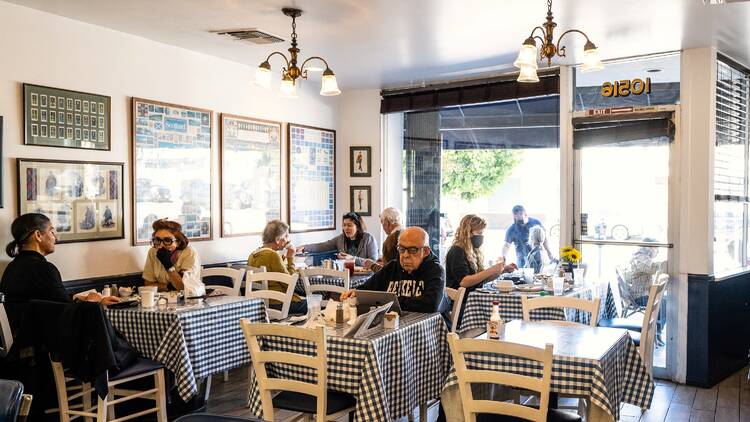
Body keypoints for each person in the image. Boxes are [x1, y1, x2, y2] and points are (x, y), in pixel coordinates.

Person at [0, 213, 120, 334]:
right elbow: (66, 314)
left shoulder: (11, 268)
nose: (56, 238)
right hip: (43, 343)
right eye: (52, 232)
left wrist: (81, 298)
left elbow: (50, 303)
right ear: (38, 235)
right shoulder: (44, 268)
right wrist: (92, 301)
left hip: (22, 339)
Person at [341, 227, 446, 313]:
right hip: (395, 326)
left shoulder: (436, 270)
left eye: (413, 250)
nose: (405, 255)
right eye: (401, 249)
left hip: (429, 331)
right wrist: (356, 293)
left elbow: (430, 305)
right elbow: (366, 290)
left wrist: (389, 301)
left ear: (426, 251)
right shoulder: (391, 267)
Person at [247, 220, 307, 315]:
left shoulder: (253, 254)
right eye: (286, 236)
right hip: (278, 303)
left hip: (261, 303)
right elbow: (290, 284)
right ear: (278, 239)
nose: (287, 240)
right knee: (315, 303)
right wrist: (290, 257)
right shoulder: (272, 255)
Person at [445, 215, 507, 293]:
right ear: (468, 233)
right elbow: (464, 282)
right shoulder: (457, 251)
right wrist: (491, 270)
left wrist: (502, 270)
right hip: (462, 302)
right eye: (479, 233)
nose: (481, 236)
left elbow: (481, 280)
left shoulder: (473, 251)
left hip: (472, 298)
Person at [142, 219, 201, 291]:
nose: (161, 245)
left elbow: (183, 287)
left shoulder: (189, 252)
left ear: (178, 242)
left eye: (167, 240)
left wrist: (168, 266)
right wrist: (169, 286)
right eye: (157, 240)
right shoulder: (153, 252)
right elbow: (148, 284)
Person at [301, 212, 378, 266]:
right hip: (346, 275)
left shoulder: (368, 239)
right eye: (344, 225)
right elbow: (323, 246)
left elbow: (374, 262)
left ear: (357, 227)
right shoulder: (340, 239)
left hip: (366, 277)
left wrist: (352, 258)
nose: (346, 228)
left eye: (349, 225)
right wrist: (305, 247)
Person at [362, 207, 403, 272]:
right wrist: (384, 260)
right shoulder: (405, 233)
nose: (383, 227)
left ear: (387, 222)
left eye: (382, 222)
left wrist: (372, 265)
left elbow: (388, 273)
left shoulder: (391, 240)